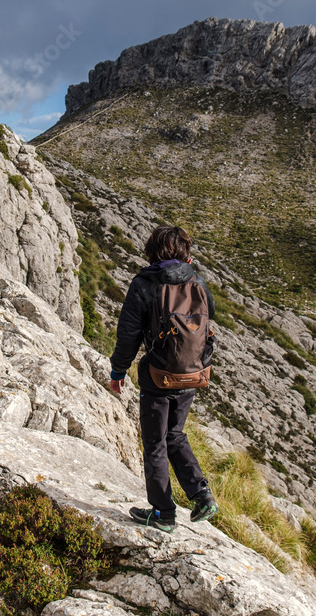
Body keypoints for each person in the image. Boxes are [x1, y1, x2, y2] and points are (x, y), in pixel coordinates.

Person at [109, 225, 219, 533]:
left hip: (158, 376)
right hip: (193, 372)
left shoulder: (144, 285)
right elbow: (210, 313)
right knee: (176, 434)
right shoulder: (197, 280)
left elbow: (128, 335)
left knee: (155, 441)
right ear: (185, 251)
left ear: (152, 250)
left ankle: (163, 513)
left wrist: (118, 372)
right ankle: (201, 495)